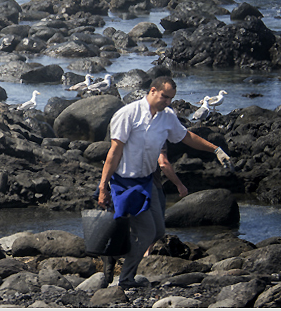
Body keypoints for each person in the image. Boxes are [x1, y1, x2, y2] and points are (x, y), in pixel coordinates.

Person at [97, 76, 231, 288]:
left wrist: (215, 149)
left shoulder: (167, 116)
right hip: (124, 182)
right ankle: (126, 278)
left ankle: (113, 254)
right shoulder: (127, 114)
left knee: (158, 231)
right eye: (164, 97)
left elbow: (187, 137)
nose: (168, 102)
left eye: (171, 98)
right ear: (152, 91)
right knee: (147, 231)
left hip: (147, 180)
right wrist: (103, 187)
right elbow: (114, 152)